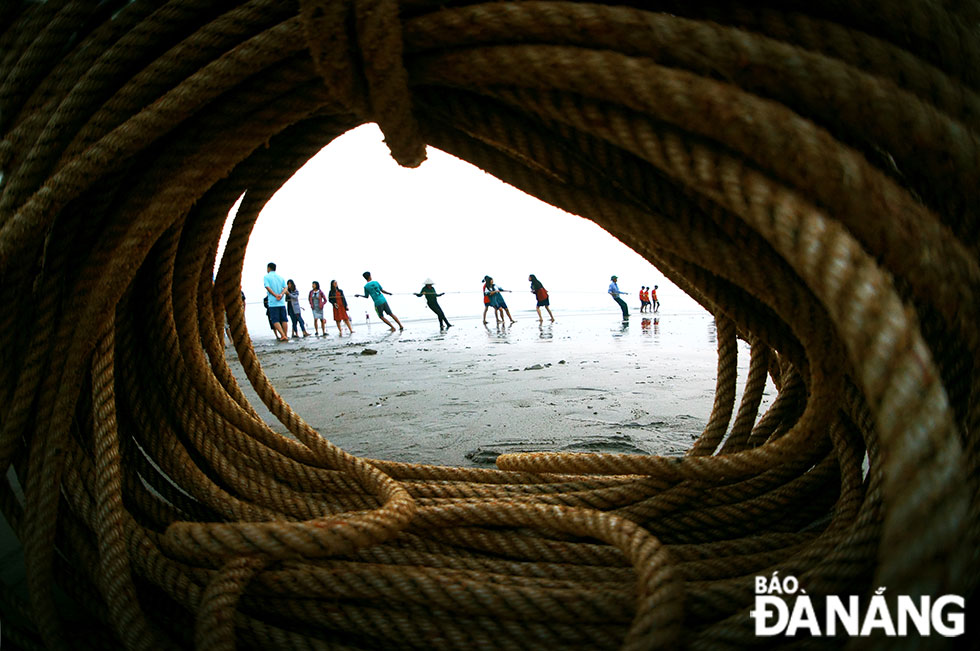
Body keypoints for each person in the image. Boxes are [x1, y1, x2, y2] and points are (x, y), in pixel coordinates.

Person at [263, 262, 289, 341]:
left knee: (275, 320)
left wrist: (275, 295)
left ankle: (282, 335)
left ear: (269, 268)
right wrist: (281, 294)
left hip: (273, 302)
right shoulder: (280, 277)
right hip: (281, 302)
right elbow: (285, 288)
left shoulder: (266, 277)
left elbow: (267, 287)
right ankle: (285, 335)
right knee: (284, 319)